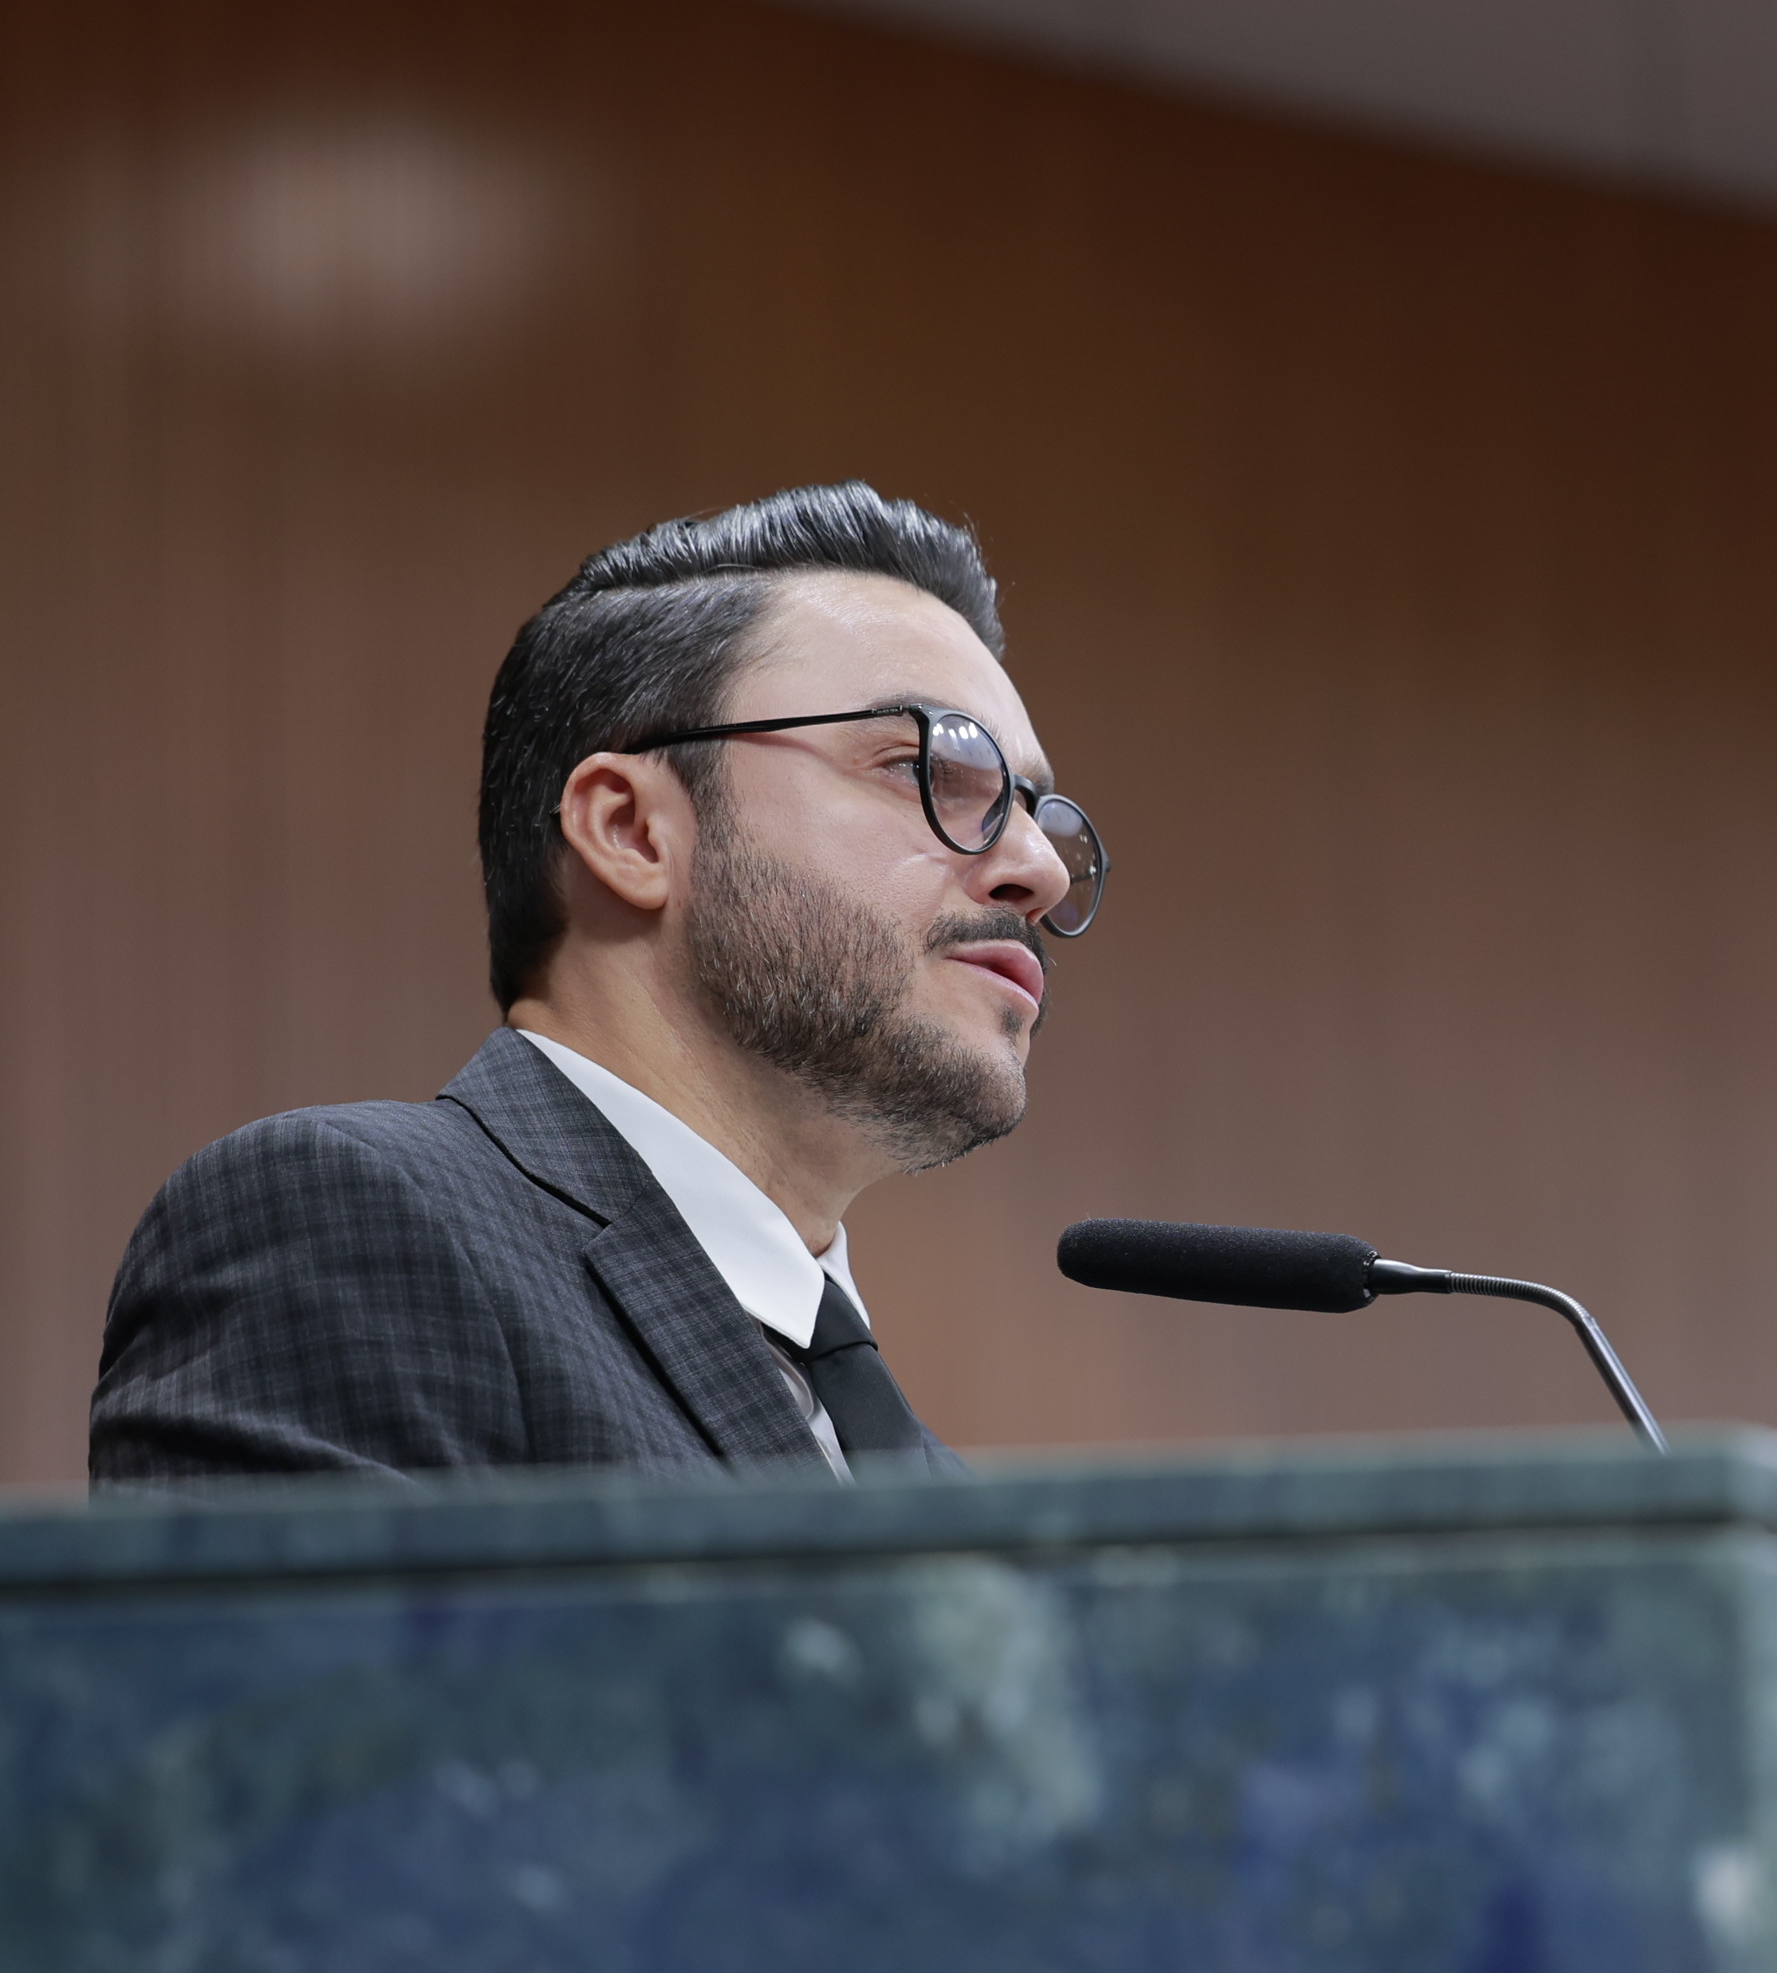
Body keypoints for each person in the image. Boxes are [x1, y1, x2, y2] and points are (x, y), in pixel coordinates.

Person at [89, 483, 1103, 1486]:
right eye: (927, 768)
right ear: (630, 829)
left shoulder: (931, 1481)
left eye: (1036, 810)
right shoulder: (348, 1223)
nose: (1040, 870)